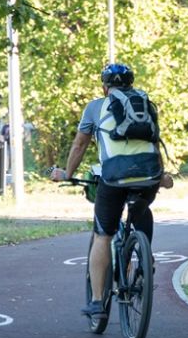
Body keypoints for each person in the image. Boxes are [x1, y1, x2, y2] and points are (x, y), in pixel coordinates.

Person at [50, 63, 174, 324]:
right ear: (131, 83)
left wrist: (68, 173)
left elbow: (80, 143)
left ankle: (97, 302)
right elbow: (153, 140)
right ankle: (144, 259)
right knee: (141, 208)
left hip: (114, 177)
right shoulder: (145, 103)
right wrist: (161, 175)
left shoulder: (96, 107)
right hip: (149, 175)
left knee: (103, 235)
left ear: (104, 86)